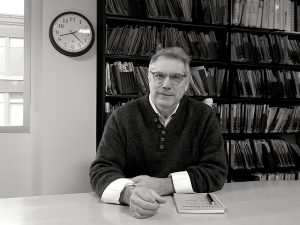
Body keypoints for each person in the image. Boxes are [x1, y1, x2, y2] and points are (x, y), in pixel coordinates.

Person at [89, 47, 228, 219]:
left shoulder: (204, 116)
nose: (166, 84)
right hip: (132, 214)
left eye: (176, 77)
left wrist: (166, 184)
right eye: (159, 76)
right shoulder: (122, 116)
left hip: (188, 217)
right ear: (149, 78)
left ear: (187, 83)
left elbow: (216, 171)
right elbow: (101, 170)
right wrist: (129, 194)